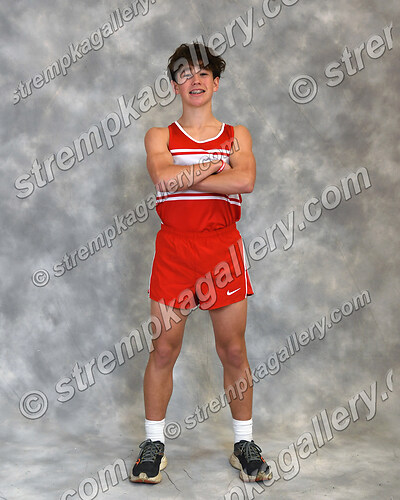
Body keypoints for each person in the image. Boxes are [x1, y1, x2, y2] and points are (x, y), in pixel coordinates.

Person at [130, 42, 272, 484]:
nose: (195, 80)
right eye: (185, 74)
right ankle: (153, 444)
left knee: (233, 350)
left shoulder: (237, 134)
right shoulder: (160, 136)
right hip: (175, 250)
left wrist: (190, 174)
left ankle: (244, 443)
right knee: (163, 349)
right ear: (174, 85)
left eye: (203, 74)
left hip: (221, 249)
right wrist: (214, 170)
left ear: (216, 83)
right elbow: (163, 177)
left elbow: (245, 180)